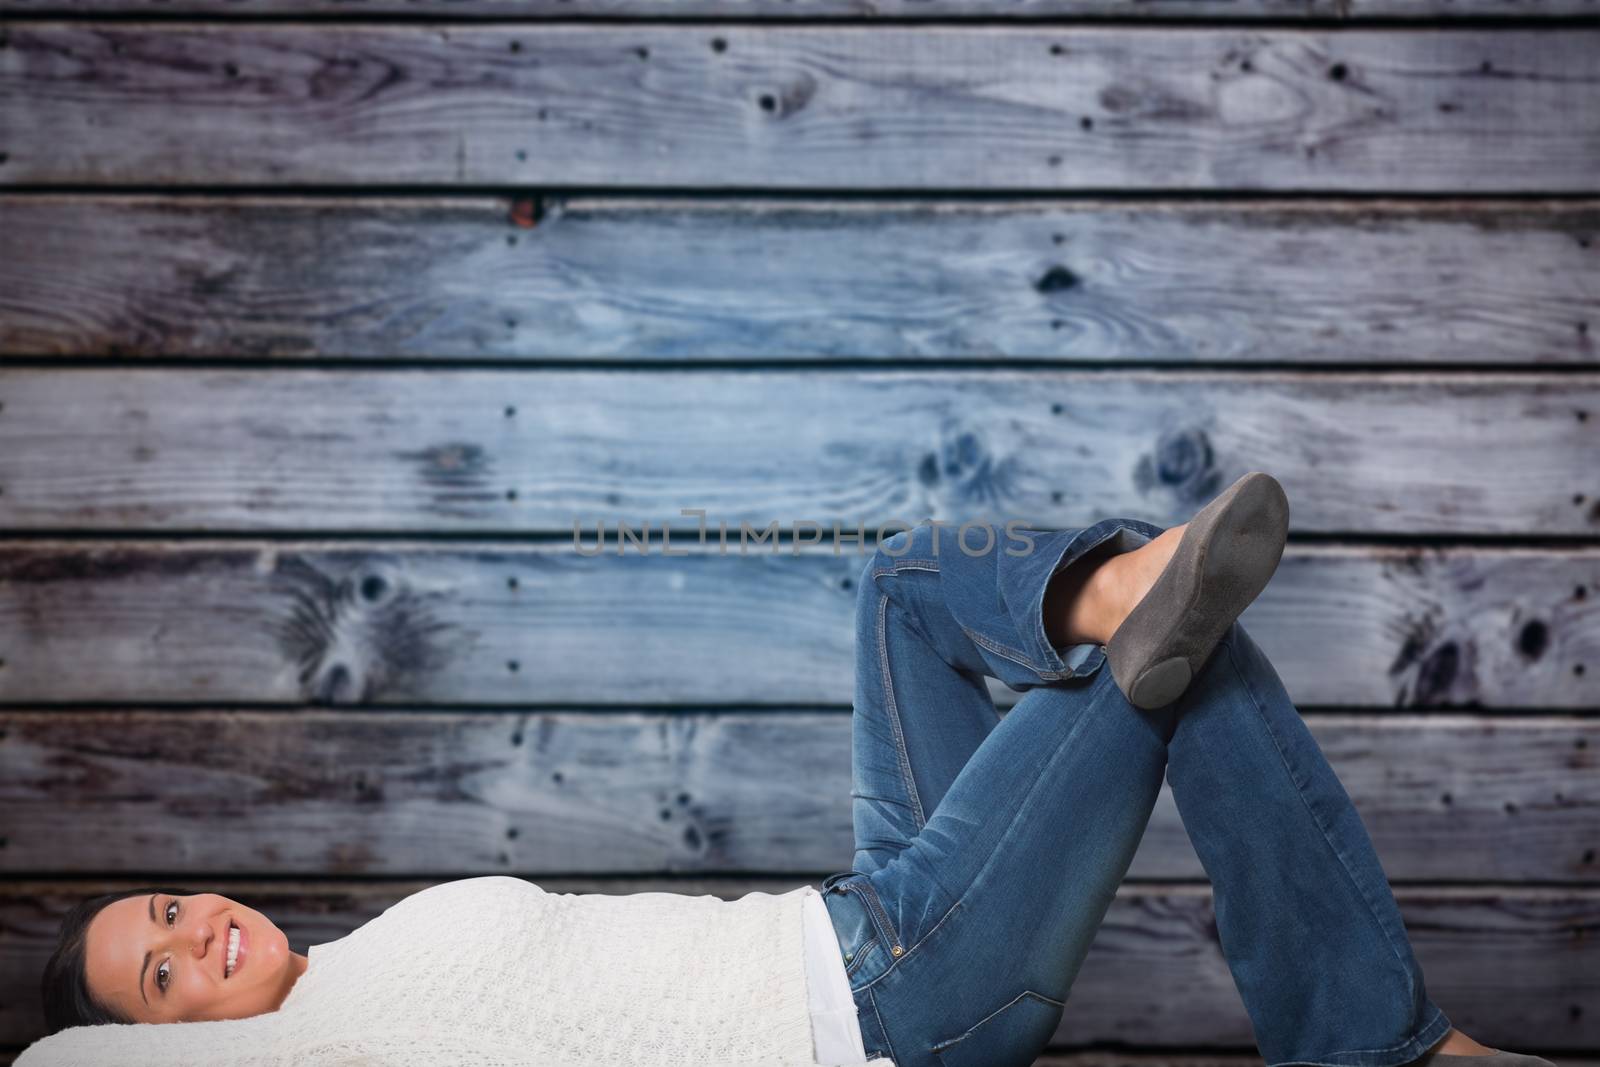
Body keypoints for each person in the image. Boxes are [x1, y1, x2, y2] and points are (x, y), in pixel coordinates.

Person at [22, 472, 1558, 1067]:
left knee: (903, 578)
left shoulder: (354, 966)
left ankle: (1104, 588)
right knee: (1176, 646)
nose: (192, 935)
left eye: (163, 907)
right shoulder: (299, 1066)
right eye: (162, 978)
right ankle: (1387, 1049)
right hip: (895, 1002)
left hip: (856, 911)